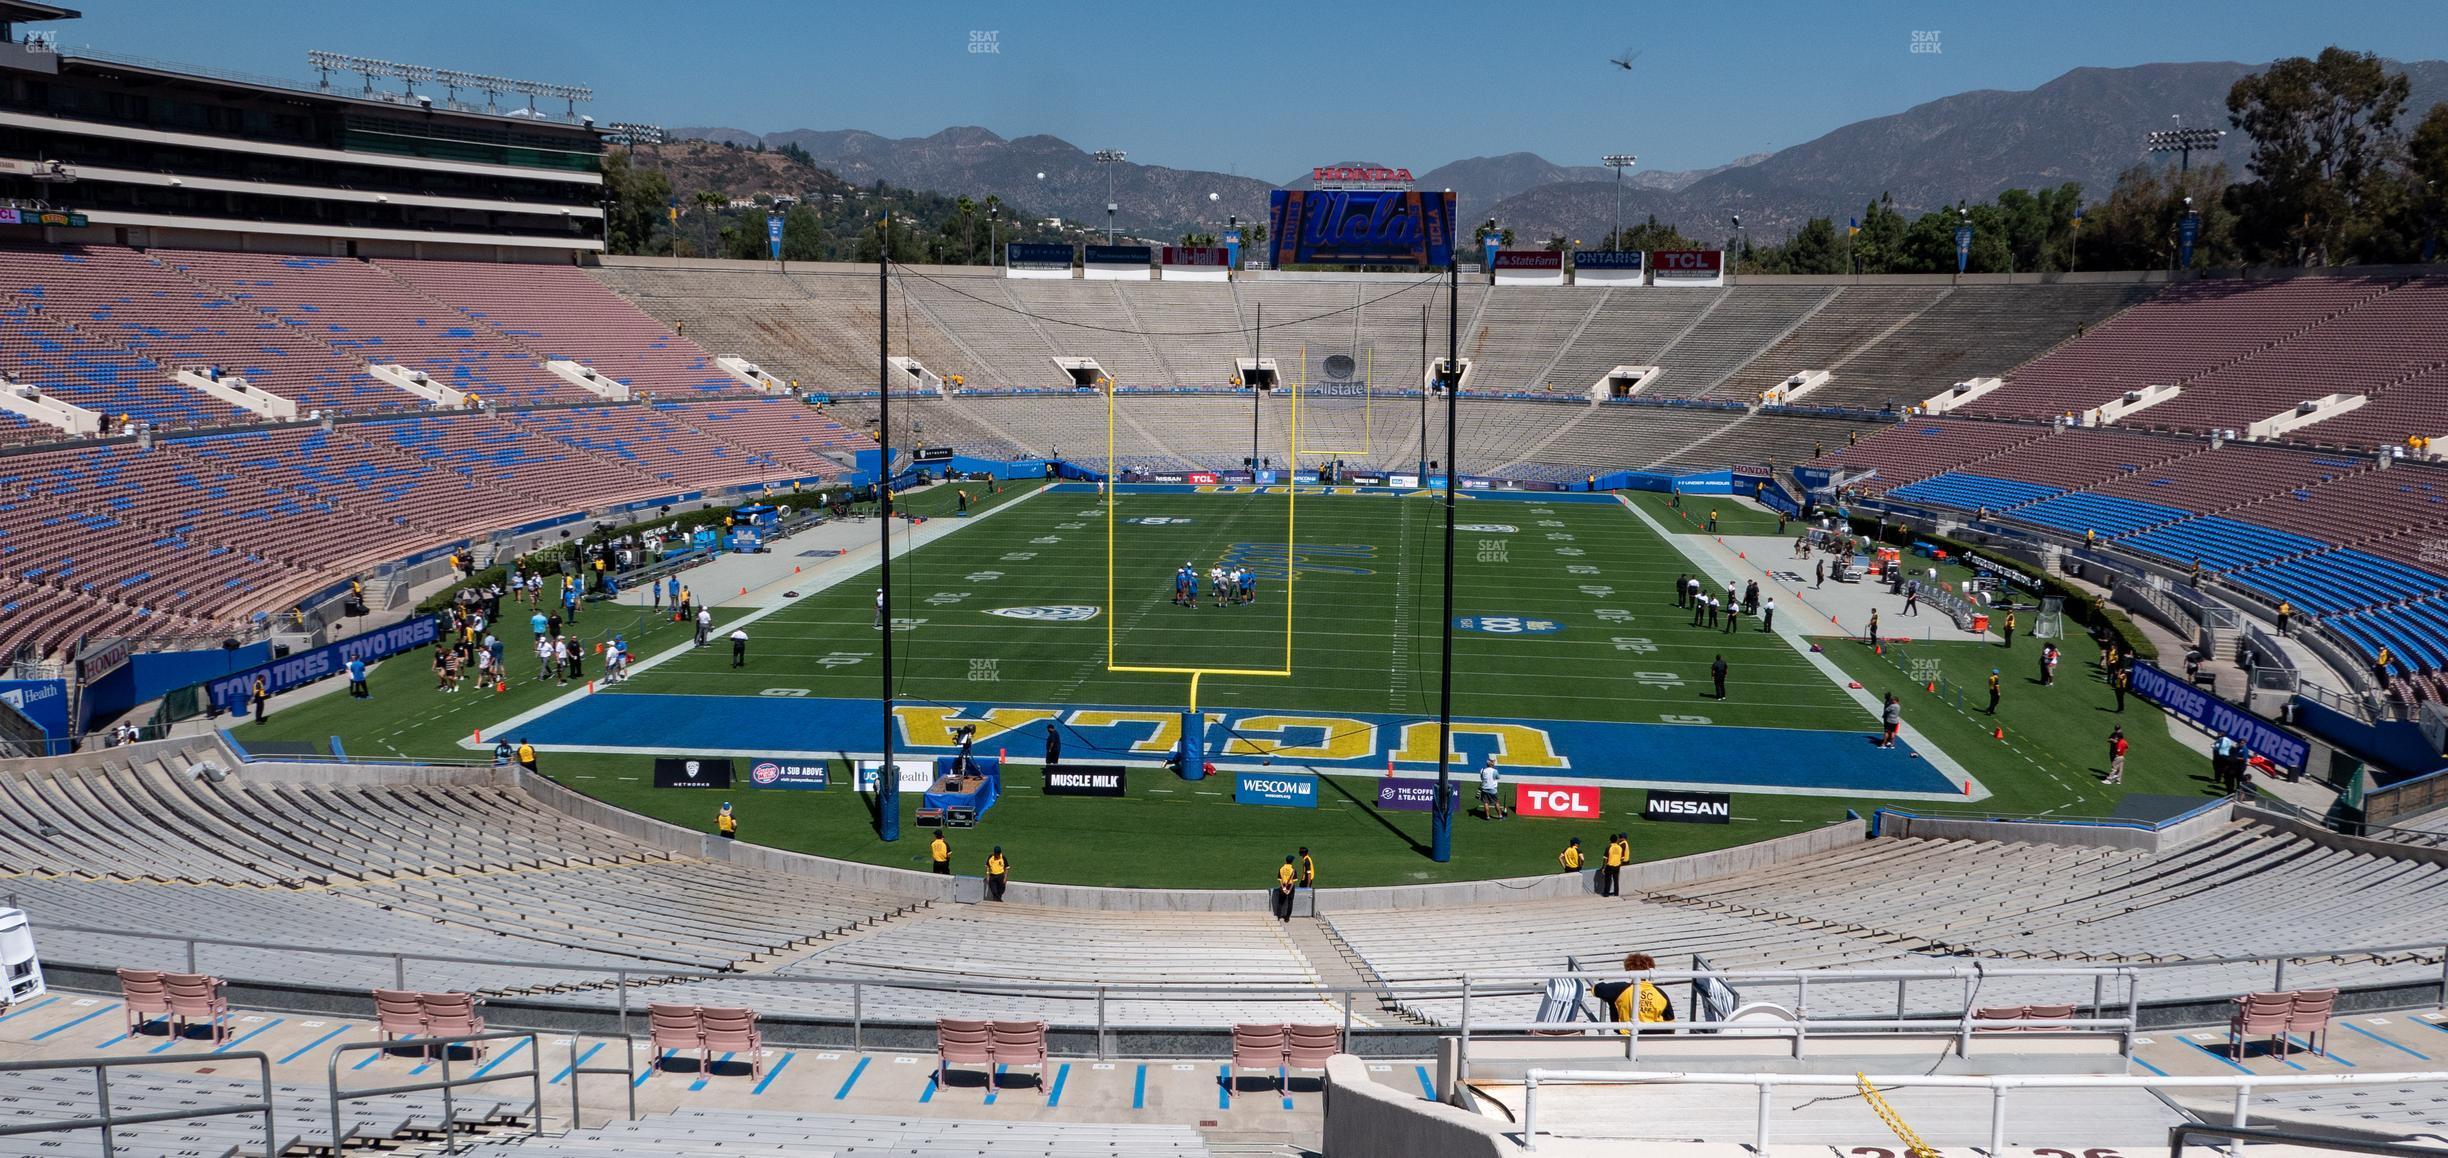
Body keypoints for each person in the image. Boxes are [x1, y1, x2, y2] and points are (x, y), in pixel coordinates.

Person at [1590, 952, 1672, 1034]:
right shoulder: (1661, 994)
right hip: (1655, 1039)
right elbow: (1671, 1025)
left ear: (1629, 970)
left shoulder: (1619, 989)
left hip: (1626, 1037)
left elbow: (1596, 989)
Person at [1600, 833, 1626, 897]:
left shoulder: (1609, 847)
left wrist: (1603, 868)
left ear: (1610, 840)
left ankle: (1606, 894)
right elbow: (1622, 858)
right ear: (1616, 840)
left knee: (1608, 880)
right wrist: (1619, 864)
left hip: (1609, 866)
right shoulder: (1620, 847)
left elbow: (1605, 859)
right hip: (1617, 866)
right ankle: (1616, 893)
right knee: (1616, 880)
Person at [1273, 856, 1297, 922]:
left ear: (1286, 861)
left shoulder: (1281, 868)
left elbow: (1280, 880)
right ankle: (1287, 918)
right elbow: (1293, 882)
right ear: (1292, 861)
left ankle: (1278, 916)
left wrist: (1283, 888)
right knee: (1290, 902)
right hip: (1290, 887)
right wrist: (1289, 890)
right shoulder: (1293, 870)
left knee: (1280, 902)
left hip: (1283, 886)